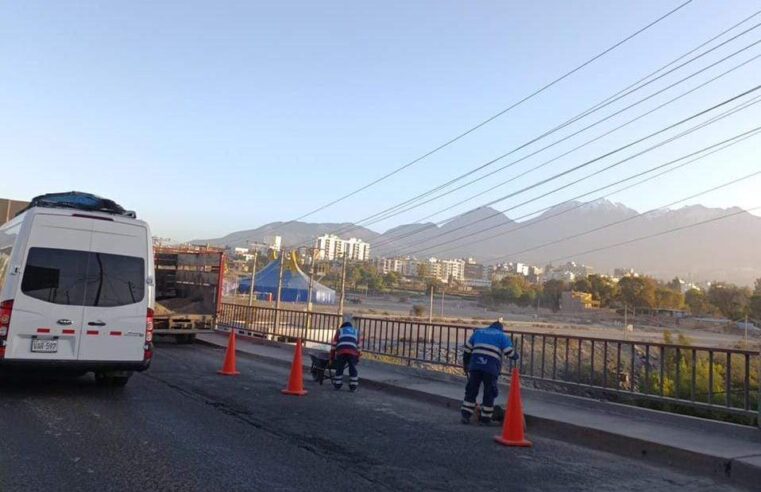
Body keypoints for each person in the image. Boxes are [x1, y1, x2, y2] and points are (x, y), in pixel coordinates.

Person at [460, 319, 518, 425]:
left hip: (475, 366)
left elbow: (467, 350)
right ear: (501, 329)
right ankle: (485, 419)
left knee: (471, 390)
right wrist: (516, 356)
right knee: (489, 392)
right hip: (490, 368)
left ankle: (465, 415)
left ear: (490, 327)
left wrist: (466, 365)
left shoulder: (478, 332)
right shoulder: (502, 336)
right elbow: (509, 352)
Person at [330, 319, 361, 391]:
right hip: (353, 352)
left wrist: (332, 357)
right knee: (352, 368)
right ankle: (353, 387)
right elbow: (359, 346)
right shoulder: (356, 331)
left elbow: (334, 345)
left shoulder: (339, 331)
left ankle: (337, 385)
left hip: (341, 351)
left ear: (342, 327)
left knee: (340, 367)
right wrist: (358, 357)